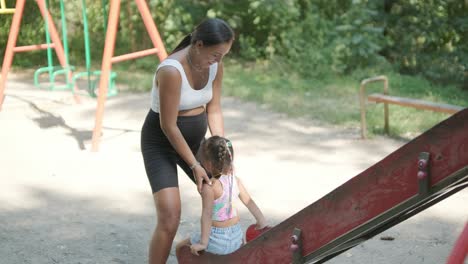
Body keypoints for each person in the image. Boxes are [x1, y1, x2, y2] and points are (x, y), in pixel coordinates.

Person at [140, 18, 234, 263]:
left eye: (223, 55)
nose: (219, 60)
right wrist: (195, 165)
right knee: (170, 217)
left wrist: (223, 150)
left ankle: (190, 251)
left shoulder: (215, 66)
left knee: (221, 195)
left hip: (197, 143)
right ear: (199, 45)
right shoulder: (171, 70)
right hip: (161, 143)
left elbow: (213, 110)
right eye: (216, 54)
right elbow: (168, 126)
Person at [176, 136, 268, 256]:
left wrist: (203, 243)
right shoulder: (236, 181)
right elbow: (249, 202)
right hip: (237, 238)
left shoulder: (209, 188)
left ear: (208, 164)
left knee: (180, 247)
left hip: (216, 241)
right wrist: (262, 222)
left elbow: (207, 215)